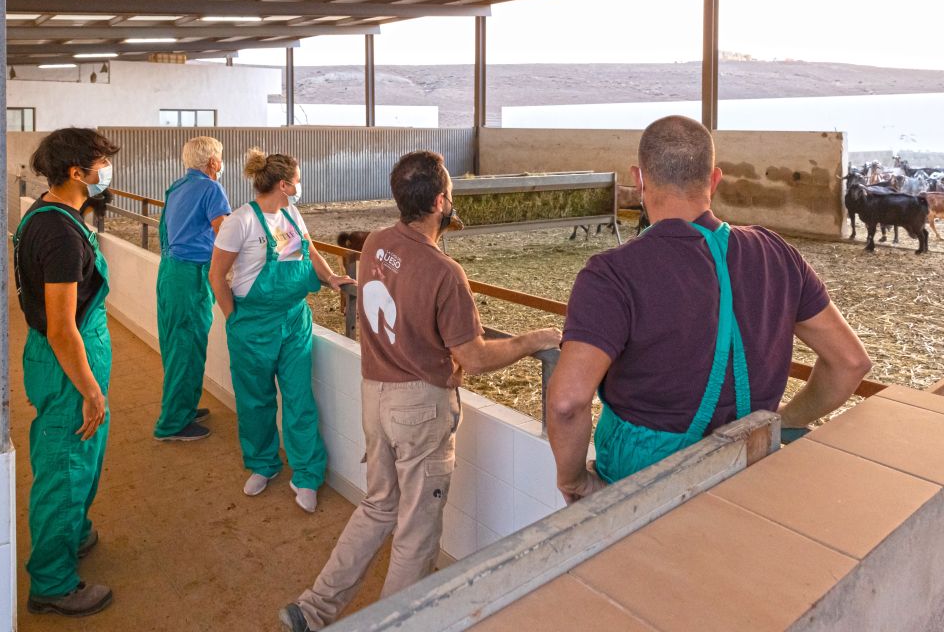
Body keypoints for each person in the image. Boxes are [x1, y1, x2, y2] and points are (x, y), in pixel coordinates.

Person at [278, 150, 562, 632]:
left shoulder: (376, 244)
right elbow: (472, 357)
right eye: (448, 194)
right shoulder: (444, 273)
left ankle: (312, 608)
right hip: (419, 407)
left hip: (375, 392)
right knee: (416, 528)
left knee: (377, 505)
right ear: (439, 201)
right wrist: (535, 339)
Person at [546, 115, 872, 504]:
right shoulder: (777, 255)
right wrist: (784, 421)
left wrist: (574, 480)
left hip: (640, 484)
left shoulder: (612, 274)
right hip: (750, 470)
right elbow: (851, 362)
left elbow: (567, 403)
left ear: (639, 179)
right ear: (714, 180)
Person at [209, 148, 353, 510]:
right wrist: (234, 319)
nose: (301, 186)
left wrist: (331, 277)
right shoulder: (240, 221)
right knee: (255, 399)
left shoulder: (290, 212)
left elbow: (309, 251)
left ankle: (306, 474)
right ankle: (263, 464)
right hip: (252, 324)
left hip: (293, 319)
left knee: (299, 397)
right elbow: (216, 276)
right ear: (285, 184)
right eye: (298, 180)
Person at [14, 128, 120, 616]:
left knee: (81, 458)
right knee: (63, 469)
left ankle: (72, 532)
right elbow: (60, 328)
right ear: (77, 173)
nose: (106, 173)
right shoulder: (58, 233)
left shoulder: (51, 211)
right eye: (101, 164)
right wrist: (91, 391)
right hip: (66, 367)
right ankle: (53, 583)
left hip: (70, 359)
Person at [153, 136, 231, 442]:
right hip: (191, 275)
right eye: (220, 158)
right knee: (187, 346)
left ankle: (182, 407)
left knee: (176, 343)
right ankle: (172, 423)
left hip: (171, 271)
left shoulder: (177, 187)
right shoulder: (211, 188)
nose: (221, 164)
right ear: (212, 162)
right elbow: (223, 232)